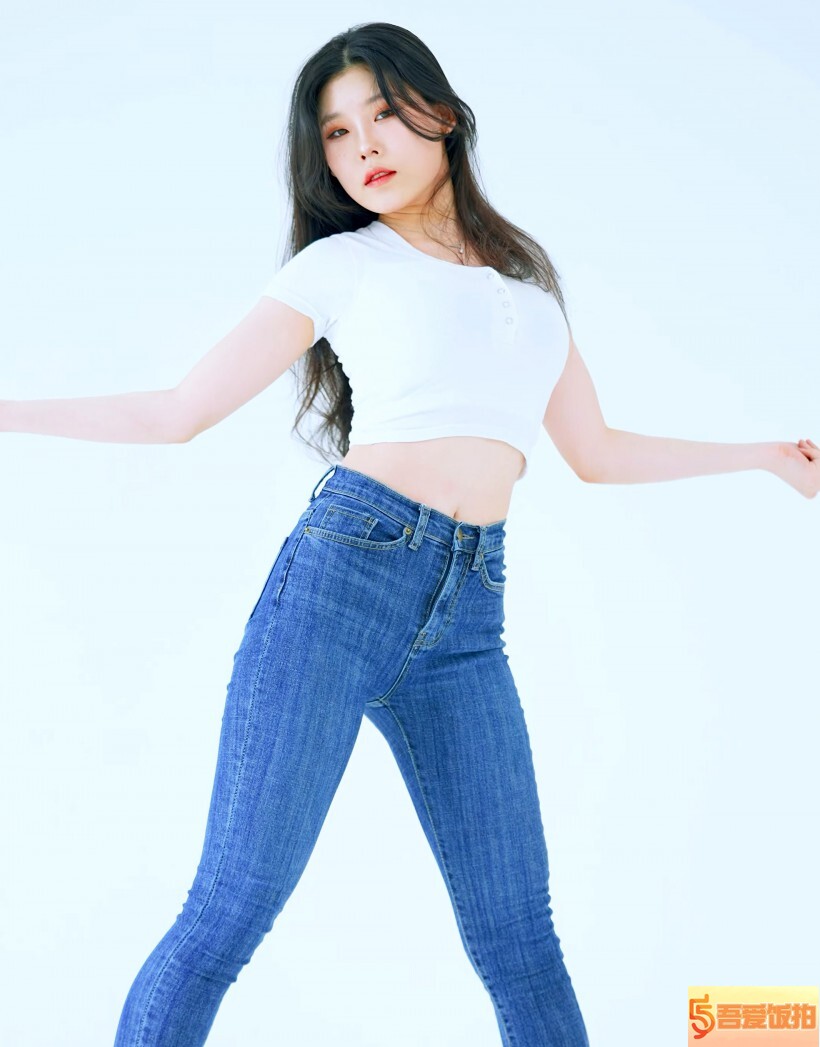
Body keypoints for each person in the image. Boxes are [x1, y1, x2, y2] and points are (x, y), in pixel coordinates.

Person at [3, 20, 817, 1047]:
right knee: (226, 916)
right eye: (338, 133)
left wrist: (762, 456)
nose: (365, 146)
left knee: (522, 942)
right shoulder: (341, 266)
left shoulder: (528, 291)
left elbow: (598, 451)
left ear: (443, 114)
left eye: (383, 113)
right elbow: (175, 412)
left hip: (470, 620)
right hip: (340, 587)